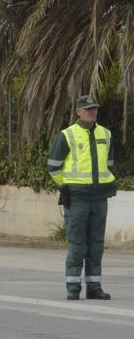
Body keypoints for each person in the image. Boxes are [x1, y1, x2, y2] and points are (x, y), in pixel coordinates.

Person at [47, 95, 116, 300]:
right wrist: (64, 187)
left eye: (94, 108)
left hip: (99, 199)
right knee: (78, 244)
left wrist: (108, 185)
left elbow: (110, 165)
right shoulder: (67, 135)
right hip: (77, 199)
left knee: (96, 244)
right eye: (87, 109)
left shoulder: (106, 133)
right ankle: (73, 287)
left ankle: (94, 287)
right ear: (78, 111)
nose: (92, 112)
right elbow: (53, 166)